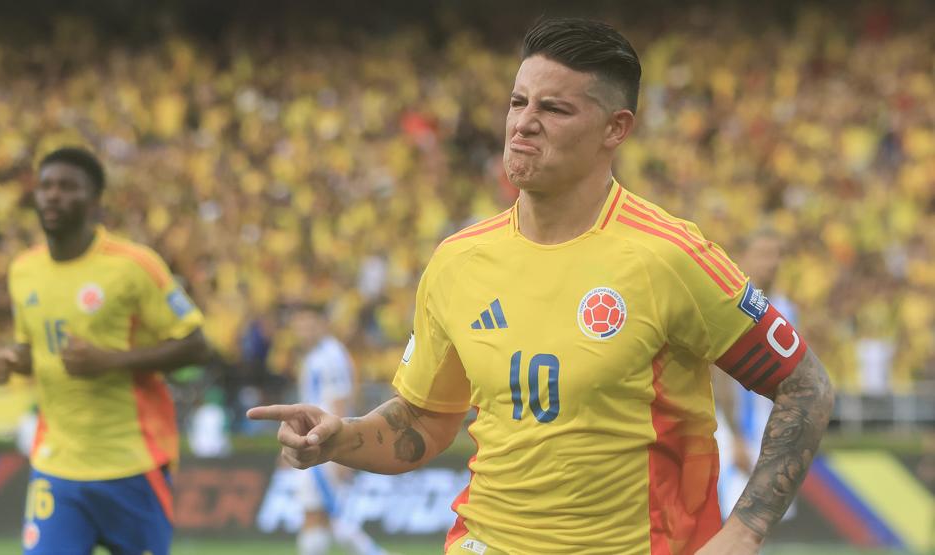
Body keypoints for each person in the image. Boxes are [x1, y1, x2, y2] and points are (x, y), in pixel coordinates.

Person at [249, 18, 834, 555]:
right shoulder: (459, 261)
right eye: (517, 101)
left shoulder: (670, 256)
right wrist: (337, 438)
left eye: (553, 108)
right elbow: (424, 424)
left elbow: (805, 386)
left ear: (615, 129)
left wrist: (745, 530)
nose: (524, 122)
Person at [0, 147, 211, 555]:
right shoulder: (23, 270)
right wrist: (12, 361)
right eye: (46, 186)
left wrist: (111, 362)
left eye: (68, 187)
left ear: (94, 201)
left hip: (132, 463)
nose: (53, 196)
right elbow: (34, 347)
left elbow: (196, 344)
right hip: (57, 464)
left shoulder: (133, 266)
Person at [287, 304, 390, 555]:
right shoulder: (316, 356)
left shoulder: (329, 356)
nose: (305, 331)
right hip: (313, 443)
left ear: (323, 325)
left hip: (323, 444)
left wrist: (341, 449)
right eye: (300, 326)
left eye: (310, 325)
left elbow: (340, 402)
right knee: (320, 514)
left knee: (331, 517)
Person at [713, 230, 798, 521]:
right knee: (731, 520)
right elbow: (719, 375)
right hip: (733, 431)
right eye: (763, 254)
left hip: (770, 433)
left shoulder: (787, 309)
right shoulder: (731, 304)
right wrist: (735, 436)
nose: (772, 262)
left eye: (777, 255)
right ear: (744, 258)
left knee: (763, 524)